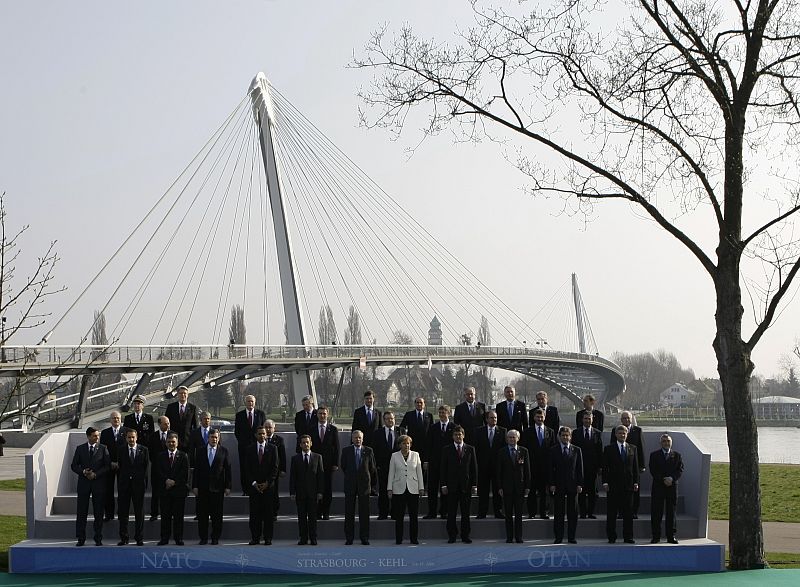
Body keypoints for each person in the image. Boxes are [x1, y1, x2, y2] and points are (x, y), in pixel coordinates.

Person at [70, 427, 110, 546]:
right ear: (88, 436)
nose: (97, 438)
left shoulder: (103, 448)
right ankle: (81, 538)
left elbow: (107, 466)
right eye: (94, 436)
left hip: (98, 484)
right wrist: (83, 472)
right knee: (81, 511)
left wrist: (95, 474)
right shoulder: (80, 449)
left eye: (98, 436)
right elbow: (74, 465)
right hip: (84, 484)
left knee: (98, 512)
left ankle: (98, 538)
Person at [192, 428, 231, 545]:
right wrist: (195, 486)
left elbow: (227, 470)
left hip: (217, 489)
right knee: (202, 515)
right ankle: (203, 538)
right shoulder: (199, 451)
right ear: (208, 438)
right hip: (202, 488)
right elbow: (196, 470)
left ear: (218, 438)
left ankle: (215, 537)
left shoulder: (224, 451)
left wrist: (228, 486)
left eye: (216, 437)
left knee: (217, 516)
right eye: (212, 437)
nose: (214, 439)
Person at [439, 425, 477, 543]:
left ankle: (465, 535)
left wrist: (474, 485)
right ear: (452, 436)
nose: (458, 436)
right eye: (455, 435)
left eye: (460, 434)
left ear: (463, 435)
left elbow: (474, 468)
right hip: (451, 487)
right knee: (451, 513)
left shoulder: (470, 449)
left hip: (466, 486)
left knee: (466, 513)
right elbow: (443, 469)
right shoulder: (447, 449)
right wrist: (443, 485)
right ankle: (452, 535)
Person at [602, 425, 640, 544]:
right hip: (613, 486)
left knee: (628, 513)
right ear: (615, 435)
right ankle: (611, 537)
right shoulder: (609, 449)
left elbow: (636, 468)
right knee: (612, 513)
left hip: (628, 486)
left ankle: (628, 537)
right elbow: (605, 468)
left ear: (627, 434)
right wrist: (605, 482)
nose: (622, 435)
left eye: (624, 433)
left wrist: (636, 482)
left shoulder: (633, 448)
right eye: (619, 433)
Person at [244, 426, 279, 545]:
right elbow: (246, 469)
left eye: (263, 434)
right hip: (254, 488)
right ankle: (255, 537)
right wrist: (254, 483)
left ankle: (268, 538)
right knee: (254, 515)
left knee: (268, 514)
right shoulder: (249, 449)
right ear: (256, 435)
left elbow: (275, 468)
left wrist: (267, 483)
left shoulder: (273, 448)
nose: (262, 436)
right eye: (259, 434)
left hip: (268, 488)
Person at [340, 430, 377, 545]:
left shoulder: (368, 451)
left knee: (364, 513)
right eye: (355, 437)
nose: (357, 439)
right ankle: (349, 538)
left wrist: (371, 485)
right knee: (349, 512)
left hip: (364, 486)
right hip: (350, 485)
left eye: (359, 437)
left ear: (362, 439)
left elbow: (372, 468)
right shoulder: (346, 451)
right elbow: (344, 466)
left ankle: (364, 537)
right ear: (352, 439)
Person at [387, 435, 425, 544]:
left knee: (414, 516)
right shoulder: (394, 456)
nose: (406, 445)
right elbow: (391, 473)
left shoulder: (416, 455)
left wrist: (421, 487)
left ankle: (414, 539)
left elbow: (419, 472)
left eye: (408, 443)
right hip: (399, 488)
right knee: (399, 516)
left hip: (413, 488)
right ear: (399, 445)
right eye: (404, 443)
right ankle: (399, 539)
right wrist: (389, 488)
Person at [549, 426, 583, 544]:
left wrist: (580, 484)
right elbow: (550, 469)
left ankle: (571, 537)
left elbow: (580, 469)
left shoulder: (576, 450)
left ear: (570, 437)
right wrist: (552, 483)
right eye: (563, 435)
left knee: (572, 513)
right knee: (559, 513)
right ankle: (558, 537)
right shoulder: (553, 450)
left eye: (567, 435)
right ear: (559, 437)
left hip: (573, 485)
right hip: (558, 485)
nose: (565, 437)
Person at [496, 429, 530, 543]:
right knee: (508, 514)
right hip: (507, 488)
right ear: (507, 439)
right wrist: (500, 487)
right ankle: (509, 537)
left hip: (520, 488)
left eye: (513, 437)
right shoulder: (501, 452)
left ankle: (519, 537)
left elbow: (527, 470)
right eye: (509, 437)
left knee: (519, 515)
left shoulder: (524, 451)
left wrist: (527, 487)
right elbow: (498, 471)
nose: (511, 439)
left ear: (518, 438)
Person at [117, 429, 149, 546]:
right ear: (126, 438)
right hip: (124, 486)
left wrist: (144, 483)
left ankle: (139, 538)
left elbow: (146, 468)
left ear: (137, 438)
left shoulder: (144, 450)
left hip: (138, 485)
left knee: (139, 513)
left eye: (133, 437)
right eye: (129, 437)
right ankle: (124, 538)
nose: (131, 440)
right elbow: (120, 467)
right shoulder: (121, 450)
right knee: (123, 513)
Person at [521, 408, 555, 519]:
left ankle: (544, 512)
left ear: (544, 417)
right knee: (531, 491)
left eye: (541, 417)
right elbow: (524, 449)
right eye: (537, 417)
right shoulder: (527, 432)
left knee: (544, 491)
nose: (539, 419)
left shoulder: (550, 432)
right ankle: (532, 512)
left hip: (545, 467)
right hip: (531, 466)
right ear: (533, 418)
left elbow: (553, 449)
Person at [290, 434, 324, 545]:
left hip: (313, 493)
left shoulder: (318, 457)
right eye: (303, 442)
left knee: (313, 518)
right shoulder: (295, 459)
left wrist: (320, 491)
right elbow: (293, 477)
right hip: (300, 493)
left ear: (311, 443)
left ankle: (313, 538)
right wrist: (292, 492)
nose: (306, 444)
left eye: (307, 442)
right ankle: (303, 538)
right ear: (300, 445)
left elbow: (320, 476)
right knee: (302, 518)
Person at [649, 434, 683, 544]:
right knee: (656, 513)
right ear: (660, 443)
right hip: (658, 487)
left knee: (671, 513)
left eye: (668, 441)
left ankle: (671, 536)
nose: (666, 443)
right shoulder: (654, 455)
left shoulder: (677, 455)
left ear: (671, 442)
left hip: (672, 488)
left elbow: (680, 470)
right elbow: (653, 470)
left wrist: (671, 478)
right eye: (664, 441)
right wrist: (663, 479)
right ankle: (656, 536)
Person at [157, 433, 189, 545]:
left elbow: (185, 473)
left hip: (178, 491)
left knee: (178, 517)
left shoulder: (183, 456)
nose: (171, 444)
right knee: (165, 516)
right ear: (166, 443)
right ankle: (164, 538)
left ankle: (178, 538)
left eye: (173, 442)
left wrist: (174, 482)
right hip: (165, 491)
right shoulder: (160, 456)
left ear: (177, 443)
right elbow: (158, 472)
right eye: (169, 442)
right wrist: (166, 480)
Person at [473, 410, 506, 518]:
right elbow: (476, 449)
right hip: (483, 466)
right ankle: (482, 512)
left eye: (495, 418)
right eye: (491, 418)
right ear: (486, 419)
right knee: (483, 490)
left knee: (497, 490)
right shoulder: (479, 431)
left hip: (497, 466)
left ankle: (498, 511)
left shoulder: (502, 431)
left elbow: (504, 449)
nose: (494, 420)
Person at [423, 404, 453, 518]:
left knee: (445, 488)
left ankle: (444, 511)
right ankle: (432, 512)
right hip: (435, 462)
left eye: (444, 412)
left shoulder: (454, 427)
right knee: (432, 488)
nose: (441, 414)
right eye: (440, 412)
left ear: (449, 413)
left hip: (448, 463)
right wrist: (426, 460)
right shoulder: (433, 428)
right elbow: (428, 445)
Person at [372, 410, 403, 519]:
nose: (390, 420)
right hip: (383, 467)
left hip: (398, 466)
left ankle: (395, 513)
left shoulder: (400, 431)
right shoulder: (378, 433)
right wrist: (376, 465)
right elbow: (374, 450)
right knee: (383, 491)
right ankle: (383, 513)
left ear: (395, 419)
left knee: (397, 491)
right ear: (384, 420)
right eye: (387, 419)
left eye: (392, 418)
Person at [310, 406, 340, 520]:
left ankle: (326, 512)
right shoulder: (311, 428)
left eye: (324, 413)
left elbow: (336, 447)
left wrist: (335, 463)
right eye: (320, 413)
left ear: (327, 414)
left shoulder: (333, 429)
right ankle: (317, 512)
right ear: (317, 415)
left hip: (328, 465)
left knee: (327, 489)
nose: (322, 415)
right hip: (314, 464)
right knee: (315, 488)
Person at [571, 411, 602, 519]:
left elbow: (599, 451)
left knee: (592, 492)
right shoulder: (575, 433)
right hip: (579, 467)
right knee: (581, 490)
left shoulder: (597, 433)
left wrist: (599, 467)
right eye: (585, 419)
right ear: (582, 420)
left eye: (589, 419)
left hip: (592, 468)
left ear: (592, 420)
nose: (587, 421)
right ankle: (583, 513)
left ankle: (590, 512)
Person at [234, 394, 266, 494]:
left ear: (255, 402)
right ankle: (246, 490)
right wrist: (243, 443)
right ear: (245, 403)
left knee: (258, 467)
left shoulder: (261, 414)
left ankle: (259, 488)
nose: (250, 403)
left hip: (259, 447)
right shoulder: (239, 415)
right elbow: (237, 432)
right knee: (244, 468)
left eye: (252, 401)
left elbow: (263, 430)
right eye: (248, 401)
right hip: (244, 448)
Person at [99, 411, 128, 521]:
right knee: (108, 491)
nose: (116, 420)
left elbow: (127, 450)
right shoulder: (105, 433)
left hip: (123, 466)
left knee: (123, 491)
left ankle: (122, 514)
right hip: (109, 466)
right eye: (114, 418)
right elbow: (103, 450)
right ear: (110, 420)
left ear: (121, 419)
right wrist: (110, 462)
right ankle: (109, 514)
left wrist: (119, 462)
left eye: (118, 418)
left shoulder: (126, 431)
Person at [618, 411, 646, 518]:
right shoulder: (615, 431)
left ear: (631, 419)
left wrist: (642, 465)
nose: (626, 420)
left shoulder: (638, 431)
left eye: (628, 418)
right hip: (620, 466)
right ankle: (620, 512)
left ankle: (634, 512)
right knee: (620, 491)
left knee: (635, 490)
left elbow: (641, 448)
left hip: (634, 466)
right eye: (624, 418)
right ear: (621, 420)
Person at [148, 416, 173, 520]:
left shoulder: (173, 435)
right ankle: (154, 513)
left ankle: (169, 513)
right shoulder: (153, 436)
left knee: (170, 493)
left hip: (170, 469)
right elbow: (151, 453)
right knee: (156, 492)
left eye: (168, 423)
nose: (167, 425)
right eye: (165, 424)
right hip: (157, 470)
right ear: (159, 424)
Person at [264, 419, 286, 520]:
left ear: (274, 428)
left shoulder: (279, 440)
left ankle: (274, 512)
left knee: (274, 492)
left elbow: (282, 456)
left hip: (274, 471)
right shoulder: (260, 439)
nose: (268, 429)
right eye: (266, 427)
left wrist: (283, 470)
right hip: (263, 471)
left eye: (270, 427)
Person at [164, 386, 198, 451]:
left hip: (187, 442)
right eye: (181, 393)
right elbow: (166, 424)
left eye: (185, 393)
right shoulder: (171, 407)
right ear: (177, 395)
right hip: (173, 442)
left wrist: (194, 440)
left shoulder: (193, 408)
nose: (183, 395)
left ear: (187, 395)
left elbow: (195, 426)